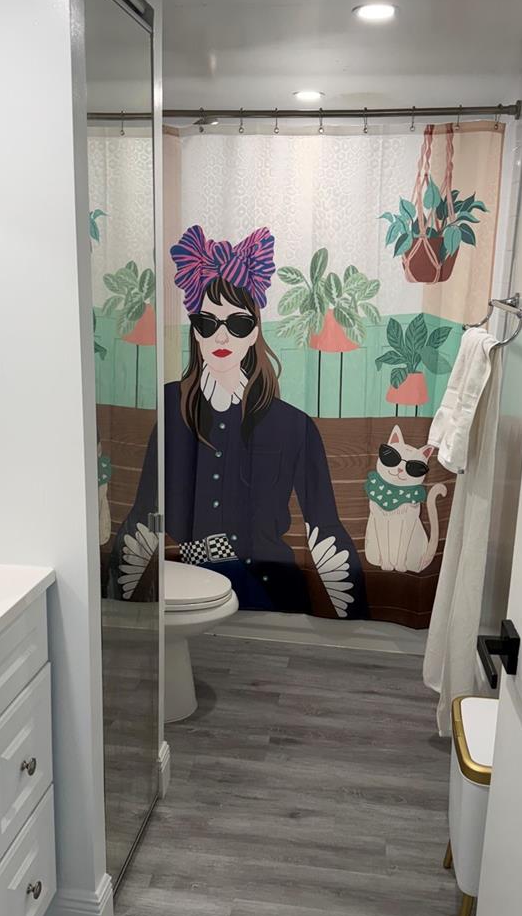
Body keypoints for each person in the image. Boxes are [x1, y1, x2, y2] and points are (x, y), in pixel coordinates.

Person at [113, 224, 367, 620]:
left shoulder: (292, 425)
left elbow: (325, 531)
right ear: (196, 332)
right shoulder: (171, 406)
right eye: (207, 323)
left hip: (269, 587)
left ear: (254, 333)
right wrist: (117, 602)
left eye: (238, 324)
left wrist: (352, 618)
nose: (221, 337)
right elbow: (144, 514)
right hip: (189, 577)